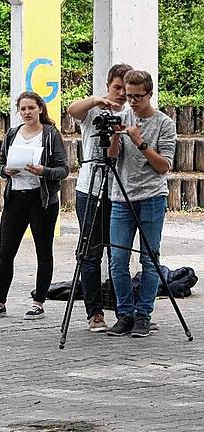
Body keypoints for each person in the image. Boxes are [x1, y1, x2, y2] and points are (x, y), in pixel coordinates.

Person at [0, 91, 69, 320]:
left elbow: (63, 169)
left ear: (40, 109)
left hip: (41, 199)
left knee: (43, 252)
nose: (27, 112)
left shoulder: (50, 135)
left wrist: (43, 171)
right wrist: (4, 171)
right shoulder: (12, 133)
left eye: (31, 108)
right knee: (5, 252)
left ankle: (38, 302)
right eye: (23, 109)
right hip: (15, 198)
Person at [106, 70, 176, 338]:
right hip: (121, 197)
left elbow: (164, 167)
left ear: (149, 94)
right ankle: (124, 314)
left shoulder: (164, 123)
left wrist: (141, 142)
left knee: (150, 258)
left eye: (138, 97)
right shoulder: (122, 117)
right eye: (128, 95)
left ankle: (143, 315)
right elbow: (111, 159)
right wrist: (115, 136)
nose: (132, 101)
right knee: (118, 259)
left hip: (152, 197)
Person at [66, 63, 133, 332]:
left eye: (125, 90)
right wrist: (98, 100)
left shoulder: (130, 113)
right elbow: (72, 110)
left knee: (118, 254)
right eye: (116, 88)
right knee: (91, 253)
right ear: (108, 85)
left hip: (118, 189)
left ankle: (125, 312)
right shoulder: (93, 108)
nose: (120, 94)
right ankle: (94, 313)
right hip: (90, 187)